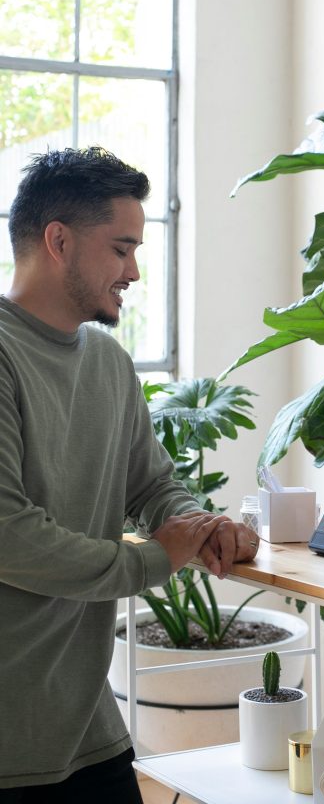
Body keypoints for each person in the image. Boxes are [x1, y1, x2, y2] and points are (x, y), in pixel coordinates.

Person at [0, 147, 259, 802]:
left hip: (89, 727)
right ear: (59, 241)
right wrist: (153, 559)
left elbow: (150, 485)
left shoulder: (108, 362)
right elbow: (9, 534)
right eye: (121, 249)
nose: (134, 272)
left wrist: (200, 526)